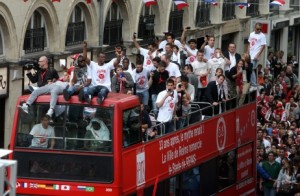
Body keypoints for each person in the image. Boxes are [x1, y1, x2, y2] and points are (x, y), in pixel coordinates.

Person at [248, 22, 267, 86]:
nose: (259, 30)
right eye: (257, 29)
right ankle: (251, 81)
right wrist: (247, 53)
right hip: (250, 54)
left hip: (255, 55)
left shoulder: (262, 36)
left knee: (252, 68)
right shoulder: (251, 34)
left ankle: (253, 83)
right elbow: (249, 44)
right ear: (255, 28)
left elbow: (263, 46)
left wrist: (257, 55)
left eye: (260, 29)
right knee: (250, 68)